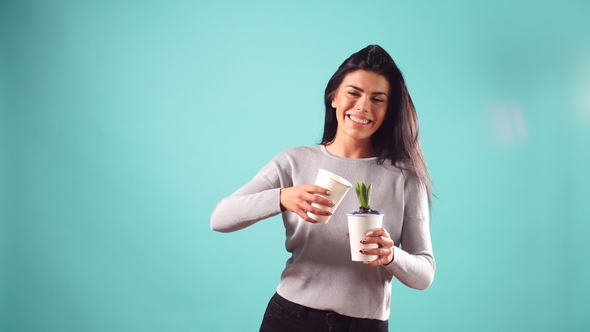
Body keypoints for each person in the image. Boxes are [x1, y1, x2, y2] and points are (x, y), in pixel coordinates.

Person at [210, 44, 435, 332]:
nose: (363, 107)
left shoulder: (405, 178)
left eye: (377, 99)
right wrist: (282, 197)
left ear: (389, 109)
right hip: (289, 319)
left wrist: (391, 255)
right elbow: (220, 218)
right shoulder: (295, 161)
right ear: (333, 98)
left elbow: (424, 274)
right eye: (353, 93)